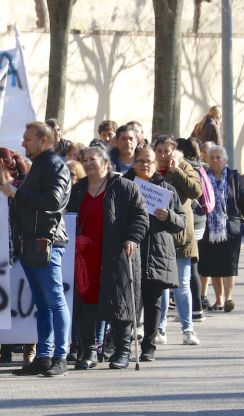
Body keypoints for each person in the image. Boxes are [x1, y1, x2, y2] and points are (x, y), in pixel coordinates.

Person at [67, 146, 149, 370]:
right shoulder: (78, 189)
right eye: (84, 160)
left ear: (105, 163)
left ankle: (121, 351)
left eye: (92, 159)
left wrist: (132, 238)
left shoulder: (124, 187)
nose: (88, 163)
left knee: (119, 301)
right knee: (85, 304)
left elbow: (140, 217)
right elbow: (68, 218)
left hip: (117, 254)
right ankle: (89, 351)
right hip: (85, 257)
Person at [1, 122, 70, 377]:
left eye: (27, 138)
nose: (23, 143)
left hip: (47, 242)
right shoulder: (41, 166)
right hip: (33, 242)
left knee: (54, 301)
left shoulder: (54, 166)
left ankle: (60, 356)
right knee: (43, 304)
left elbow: (54, 201)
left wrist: (17, 194)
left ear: (44, 141)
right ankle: (44, 356)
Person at [123, 147, 185, 362]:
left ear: (155, 163)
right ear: (134, 163)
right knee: (129, 300)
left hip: (157, 252)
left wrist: (168, 216)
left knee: (153, 302)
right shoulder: (124, 186)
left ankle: (149, 345)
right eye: (140, 161)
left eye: (149, 161)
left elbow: (182, 222)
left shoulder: (166, 188)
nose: (145, 165)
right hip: (131, 249)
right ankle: (122, 345)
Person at [0, 146, 36, 370]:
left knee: (28, 301)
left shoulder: (23, 184)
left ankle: (29, 352)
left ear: (0, 163)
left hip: (23, 249)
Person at [198, 145, 244, 312]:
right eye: (212, 157)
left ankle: (228, 299)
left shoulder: (234, 178)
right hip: (209, 228)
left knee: (229, 265)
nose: (215, 160)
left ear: (225, 160)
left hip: (230, 228)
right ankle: (218, 300)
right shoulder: (202, 178)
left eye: (219, 157)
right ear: (207, 160)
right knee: (213, 265)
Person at [153, 135, 202, 346]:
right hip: (160, 237)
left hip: (182, 237)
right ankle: (160, 329)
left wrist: (176, 172)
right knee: (162, 286)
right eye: (160, 151)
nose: (163, 155)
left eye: (167, 150)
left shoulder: (183, 166)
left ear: (174, 151)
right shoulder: (151, 169)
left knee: (182, 285)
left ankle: (188, 329)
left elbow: (195, 190)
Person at [177, 137, 208, 321]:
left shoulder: (187, 168)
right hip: (198, 220)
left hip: (191, 221)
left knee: (190, 267)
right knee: (191, 268)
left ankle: (195, 309)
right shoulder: (199, 165)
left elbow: (195, 191)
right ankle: (195, 309)